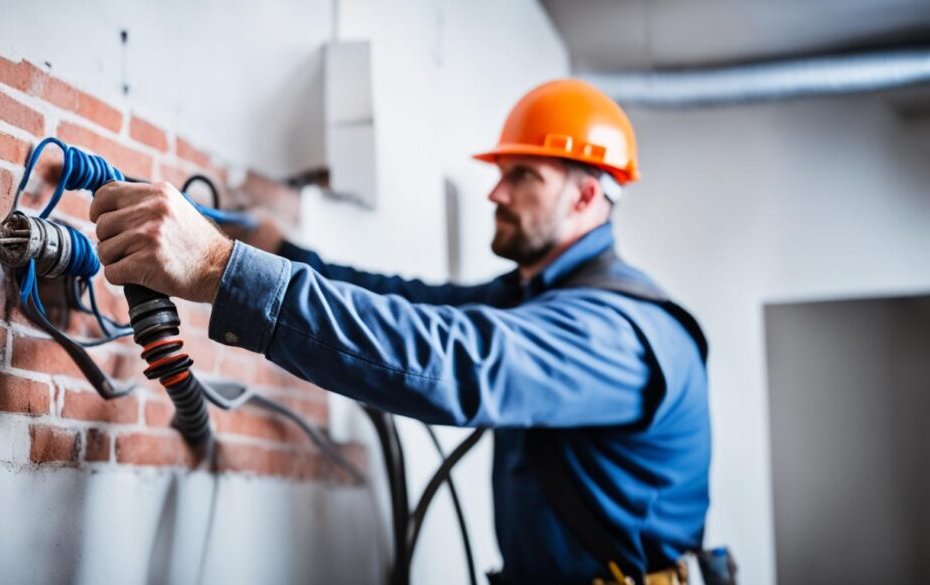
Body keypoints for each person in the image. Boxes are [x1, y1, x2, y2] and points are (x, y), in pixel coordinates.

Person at [89, 79, 711, 584]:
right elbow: (407, 303)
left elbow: (456, 359)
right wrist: (278, 251)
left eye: (524, 175)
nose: (496, 190)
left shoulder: (619, 332)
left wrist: (218, 269)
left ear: (586, 197)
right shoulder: (535, 296)